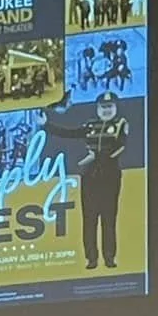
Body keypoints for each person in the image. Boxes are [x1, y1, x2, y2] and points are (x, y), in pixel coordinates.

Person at [44, 90, 129, 271]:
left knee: (108, 218)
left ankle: (109, 257)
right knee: (89, 219)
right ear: (97, 108)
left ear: (115, 108)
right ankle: (91, 258)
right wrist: (46, 125)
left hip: (110, 176)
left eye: (109, 106)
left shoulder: (120, 124)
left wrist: (95, 156)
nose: (106, 110)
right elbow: (69, 133)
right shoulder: (90, 125)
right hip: (90, 177)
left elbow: (118, 148)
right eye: (103, 107)